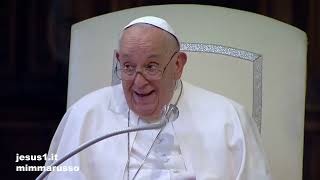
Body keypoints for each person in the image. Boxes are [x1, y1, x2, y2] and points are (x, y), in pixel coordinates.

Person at [43, 16, 271, 180]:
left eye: (151, 67)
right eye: (128, 67)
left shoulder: (229, 118)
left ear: (178, 65)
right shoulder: (85, 115)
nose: (139, 82)